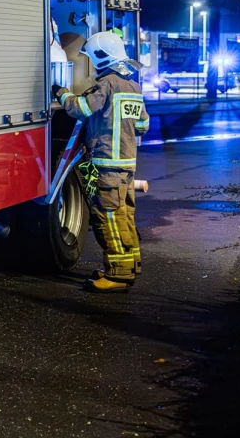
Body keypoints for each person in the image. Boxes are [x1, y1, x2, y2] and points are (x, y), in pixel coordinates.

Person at [52, 31, 149, 292]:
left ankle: (118, 275)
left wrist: (62, 93)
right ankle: (130, 265)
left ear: (100, 56)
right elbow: (143, 125)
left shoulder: (106, 85)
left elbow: (81, 108)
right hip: (127, 165)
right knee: (124, 216)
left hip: (107, 165)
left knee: (109, 219)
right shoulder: (133, 86)